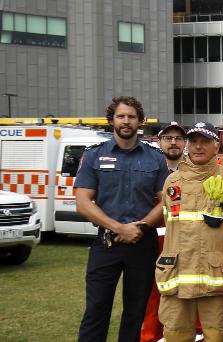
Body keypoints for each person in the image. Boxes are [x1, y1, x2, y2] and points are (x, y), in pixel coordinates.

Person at [75, 96, 170, 342]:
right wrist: (119, 228)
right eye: (121, 116)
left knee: (135, 313)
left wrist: (140, 227)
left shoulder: (155, 158)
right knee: (96, 310)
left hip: (142, 244)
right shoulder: (94, 156)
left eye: (131, 117)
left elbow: (165, 201)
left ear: (140, 121)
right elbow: (83, 203)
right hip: (105, 244)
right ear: (111, 120)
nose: (126, 121)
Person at [155, 122, 223, 342]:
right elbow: (169, 222)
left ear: (216, 146)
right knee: (175, 334)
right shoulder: (172, 181)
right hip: (177, 276)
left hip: (215, 277)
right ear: (187, 145)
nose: (198, 147)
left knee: (218, 334)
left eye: (205, 141)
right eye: (193, 141)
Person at [141, 120, 189, 342]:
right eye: (168, 138)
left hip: (185, 244)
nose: (173, 143)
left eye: (178, 138)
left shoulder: (193, 170)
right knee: (152, 298)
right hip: (153, 243)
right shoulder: (148, 170)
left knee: (185, 298)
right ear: (159, 141)